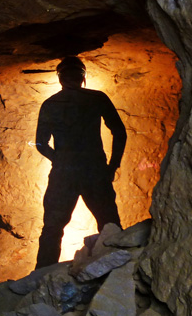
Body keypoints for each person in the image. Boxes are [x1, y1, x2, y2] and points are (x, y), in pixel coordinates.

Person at [34, 56, 127, 270]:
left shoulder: (51, 104)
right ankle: (118, 271)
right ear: (82, 76)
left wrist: (59, 158)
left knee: (52, 228)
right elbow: (119, 132)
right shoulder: (96, 99)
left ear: (60, 78)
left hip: (63, 173)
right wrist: (112, 166)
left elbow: (40, 143)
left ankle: (39, 278)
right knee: (109, 225)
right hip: (94, 170)